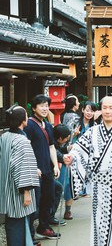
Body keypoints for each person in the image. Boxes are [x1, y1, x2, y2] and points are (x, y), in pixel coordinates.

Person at [64, 95, 112, 246]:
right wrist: (71, 157)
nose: (107, 111)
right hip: (98, 186)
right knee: (98, 220)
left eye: (111, 108)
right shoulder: (93, 132)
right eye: (104, 108)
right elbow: (79, 150)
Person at [0, 105, 40, 246]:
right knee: (20, 222)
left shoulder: (5, 136)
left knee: (11, 221)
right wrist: (27, 191)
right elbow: (22, 166)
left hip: (7, 186)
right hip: (19, 191)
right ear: (23, 121)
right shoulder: (22, 140)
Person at [24, 94, 61, 240]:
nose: (45, 108)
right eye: (42, 106)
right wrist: (33, 167)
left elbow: (51, 146)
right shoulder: (30, 125)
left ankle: (44, 227)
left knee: (48, 198)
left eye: (47, 105)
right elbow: (25, 148)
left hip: (47, 169)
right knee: (35, 202)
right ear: (34, 108)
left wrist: (55, 166)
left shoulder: (47, 125)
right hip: (35, 171)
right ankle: (30, 235)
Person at [51, 124, 71, 227]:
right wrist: (63, 157)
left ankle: (49, 216)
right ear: (59, 138)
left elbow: (58, 151)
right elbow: (55, 152)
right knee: (58, 188)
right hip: (45, 173)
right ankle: (49, 217)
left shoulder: (55, 141)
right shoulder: (51, 144)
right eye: (66, 139)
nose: (67, 140)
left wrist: (67, 149)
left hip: (48, 173)